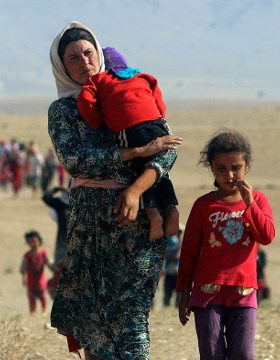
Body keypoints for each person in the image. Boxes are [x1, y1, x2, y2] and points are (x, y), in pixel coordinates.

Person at [49, 21, 182, 359]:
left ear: (99, 53)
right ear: (62, 66)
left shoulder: (127, 90)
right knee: (93, 321)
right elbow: (75, 161)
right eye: (73, 58)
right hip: (90, 227)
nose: (83, 61)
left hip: (138, 223)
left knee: (132, 316)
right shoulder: (62, 111)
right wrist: (134, 153)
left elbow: (166, 147)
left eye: (88, 53)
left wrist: (137, 189)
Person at [176, 129, 275, 360]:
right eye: (221, 168)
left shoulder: (259, 200)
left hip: (244, 292)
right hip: (207, 293)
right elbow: (189, 251)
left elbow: (267, 236)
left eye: (235, 168)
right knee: (211, 354)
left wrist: (250, 203)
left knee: (243, 354)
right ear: (212, 167)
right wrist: (183, 292)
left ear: (246, 166)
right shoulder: (203, 205)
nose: (229, 175)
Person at [78, 47, 179, 241]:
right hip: (156, 125)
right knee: (159, 168)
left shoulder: (98, 80)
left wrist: (98, 122)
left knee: (136, 168)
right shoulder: (143, 76)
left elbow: (85, 100)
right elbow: (159, 100)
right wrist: (158, 121)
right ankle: (171, 208)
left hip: (129, 129)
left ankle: (154, 215)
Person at [42, 187, 70, 299]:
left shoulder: (84, 201)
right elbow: (46, 197)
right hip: (62, 243)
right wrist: (56, 189)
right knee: (59, 270)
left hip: (81, 242)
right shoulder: (61, 203)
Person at [20, 231, 52, 315]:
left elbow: (50, 265)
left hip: (41, 283)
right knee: (32, 300)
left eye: (34, 241)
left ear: (39, 241)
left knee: (43, 298)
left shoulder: (44, 254)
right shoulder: (27, 256)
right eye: (30, 242)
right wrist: (24, 279)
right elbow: (23, 269)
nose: (33, 244)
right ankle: (33, 313)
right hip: (31, 283)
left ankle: (44, 312)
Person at [162, 228, 183, 307]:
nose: (178, 234)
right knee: (168, 292)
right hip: (170, 272)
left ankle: (177, 306)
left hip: (178, 273)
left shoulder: (181, 244)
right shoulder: (170, 243)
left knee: (179, 294)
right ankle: (167, 306)